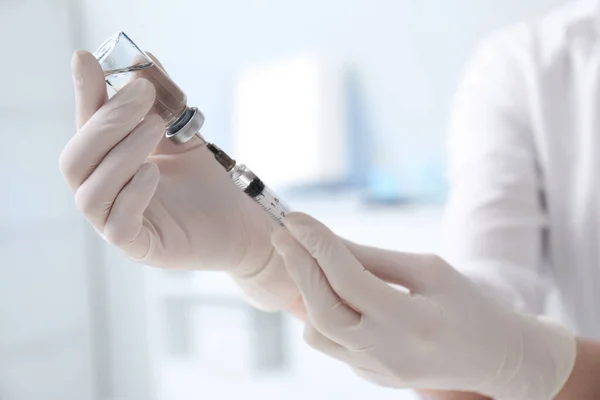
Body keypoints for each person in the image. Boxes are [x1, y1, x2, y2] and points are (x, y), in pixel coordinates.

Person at [59, 1, 600, 398]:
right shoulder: (531, 67)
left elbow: (501, 358)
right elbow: (465, 371)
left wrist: (538, 360)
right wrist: (263, 257)